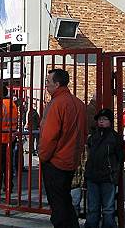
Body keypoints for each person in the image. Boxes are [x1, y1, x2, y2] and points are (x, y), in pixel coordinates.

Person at [39, 69, 87, 228]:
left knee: (58, 206)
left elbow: (49, 136)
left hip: (56, 161)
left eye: (48, 82)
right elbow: (83, 133)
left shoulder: (57, 104)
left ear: (57, 84)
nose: (46, 86)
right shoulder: (78, 104)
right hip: (71, 160)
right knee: (65, 201)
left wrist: (43, 156)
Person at [84, 108, 125, 228]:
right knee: (92, 208)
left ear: (110, 121)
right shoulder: (93, 137)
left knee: (108, 209)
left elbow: (120, 157)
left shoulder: (115, 137)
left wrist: (115, 175)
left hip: (108, 177)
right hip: (93, 176)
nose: (101, 122)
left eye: (104, 119)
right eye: (99, 119)